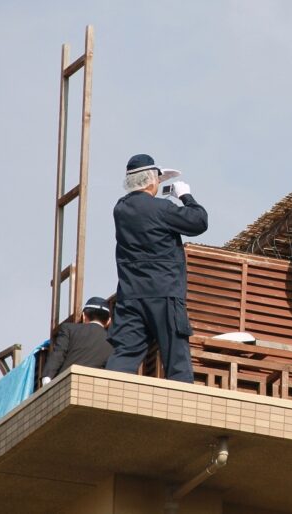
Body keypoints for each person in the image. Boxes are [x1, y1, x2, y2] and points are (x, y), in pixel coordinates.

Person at [106, 154, 208, 383]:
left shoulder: (120, 209)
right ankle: (182, 408)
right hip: (164, 292)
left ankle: (107, 398)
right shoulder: (161, 208)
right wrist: (185, 196)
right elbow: (199, 221)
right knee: (176, 357)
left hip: (130, 295)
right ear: (152, 181)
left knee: (125, 354)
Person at [41, 297, 114, 384]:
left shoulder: (69, 329)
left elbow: (58, 354)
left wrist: (47, 377)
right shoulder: (113, 342)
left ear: (83, 316)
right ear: (108, 321)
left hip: (65, 385)